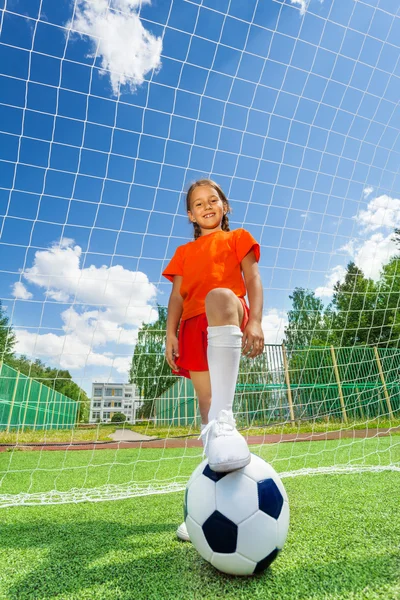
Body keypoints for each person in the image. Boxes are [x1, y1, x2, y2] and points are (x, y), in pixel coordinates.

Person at [162, 179, 264, 542]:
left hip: (225, 313)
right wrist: (170, 333)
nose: (206, 206)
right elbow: (176, 297)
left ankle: (226, 421)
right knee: (205, 404)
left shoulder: (238, 239)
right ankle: (209, 503)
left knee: (220, 295)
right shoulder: (183, 253)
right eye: (198, 203)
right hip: (191, 323)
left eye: (213, 200)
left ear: (225, 205)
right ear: (190, 214)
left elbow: (252, 276)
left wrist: (254, 320)